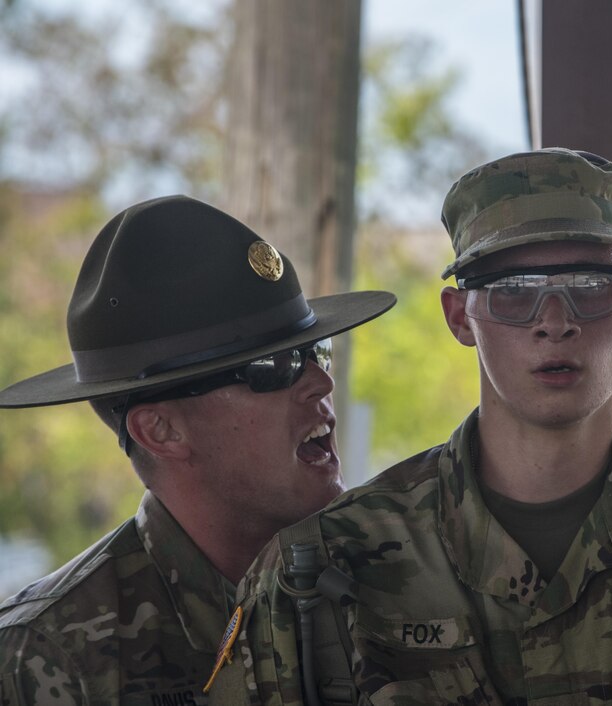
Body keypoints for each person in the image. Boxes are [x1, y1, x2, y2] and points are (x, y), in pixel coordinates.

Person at [208, 148, 612, 706]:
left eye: (592, 284)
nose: (553, 320)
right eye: (513, 289)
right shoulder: (326, 568)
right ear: (460, 316)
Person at [0, 195, 395, 705]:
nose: (320, 382)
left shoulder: (401, 584)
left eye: (315, 352)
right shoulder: (44, 658)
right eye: (273, 367)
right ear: (161, 430)